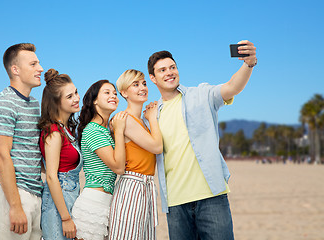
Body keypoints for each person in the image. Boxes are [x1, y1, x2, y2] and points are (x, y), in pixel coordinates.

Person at [148, 40, 257, 240]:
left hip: (211, 198)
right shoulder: (153, 115)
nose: (169, 72)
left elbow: (232, 87)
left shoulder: (201, 94)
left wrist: (248, 64)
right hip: (175, 203)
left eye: (172, 67)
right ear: (153, 78)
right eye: (162, 70)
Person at [0, 43, 44, 239]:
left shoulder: (34, 104)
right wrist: (15, 206)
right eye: (33, 64)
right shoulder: (3, 103)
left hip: (36, 193)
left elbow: (33, 152)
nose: (40, 69)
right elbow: (2, 156)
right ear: (15, 70)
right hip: (12, 195)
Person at [109, 70, 163, 239]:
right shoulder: (124, 119)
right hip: (132, 186)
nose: (143, 88)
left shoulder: (142, 122)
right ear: (124, 92)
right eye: (136, 84)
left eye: (144, 83)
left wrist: (149, 118)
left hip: (146, 186)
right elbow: (157, 146)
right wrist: (153, 117)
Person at [71, 80, 127, 240]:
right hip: (92, 206)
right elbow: (118, 167)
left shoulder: (103, 130)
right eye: (107, 92)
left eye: (115, 94)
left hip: (105, 204)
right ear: (94, 100)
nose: (113, 96)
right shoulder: (93, 130)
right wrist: (119, 130)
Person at [38, 69, 83, 239]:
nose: (77, 98)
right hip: (58, 202)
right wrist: (65, 218)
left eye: (76, 92)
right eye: (69, 96)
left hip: (69, 196)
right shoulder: (54, 132)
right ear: (56, 102)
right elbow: (51, 176)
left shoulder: (67, 129)